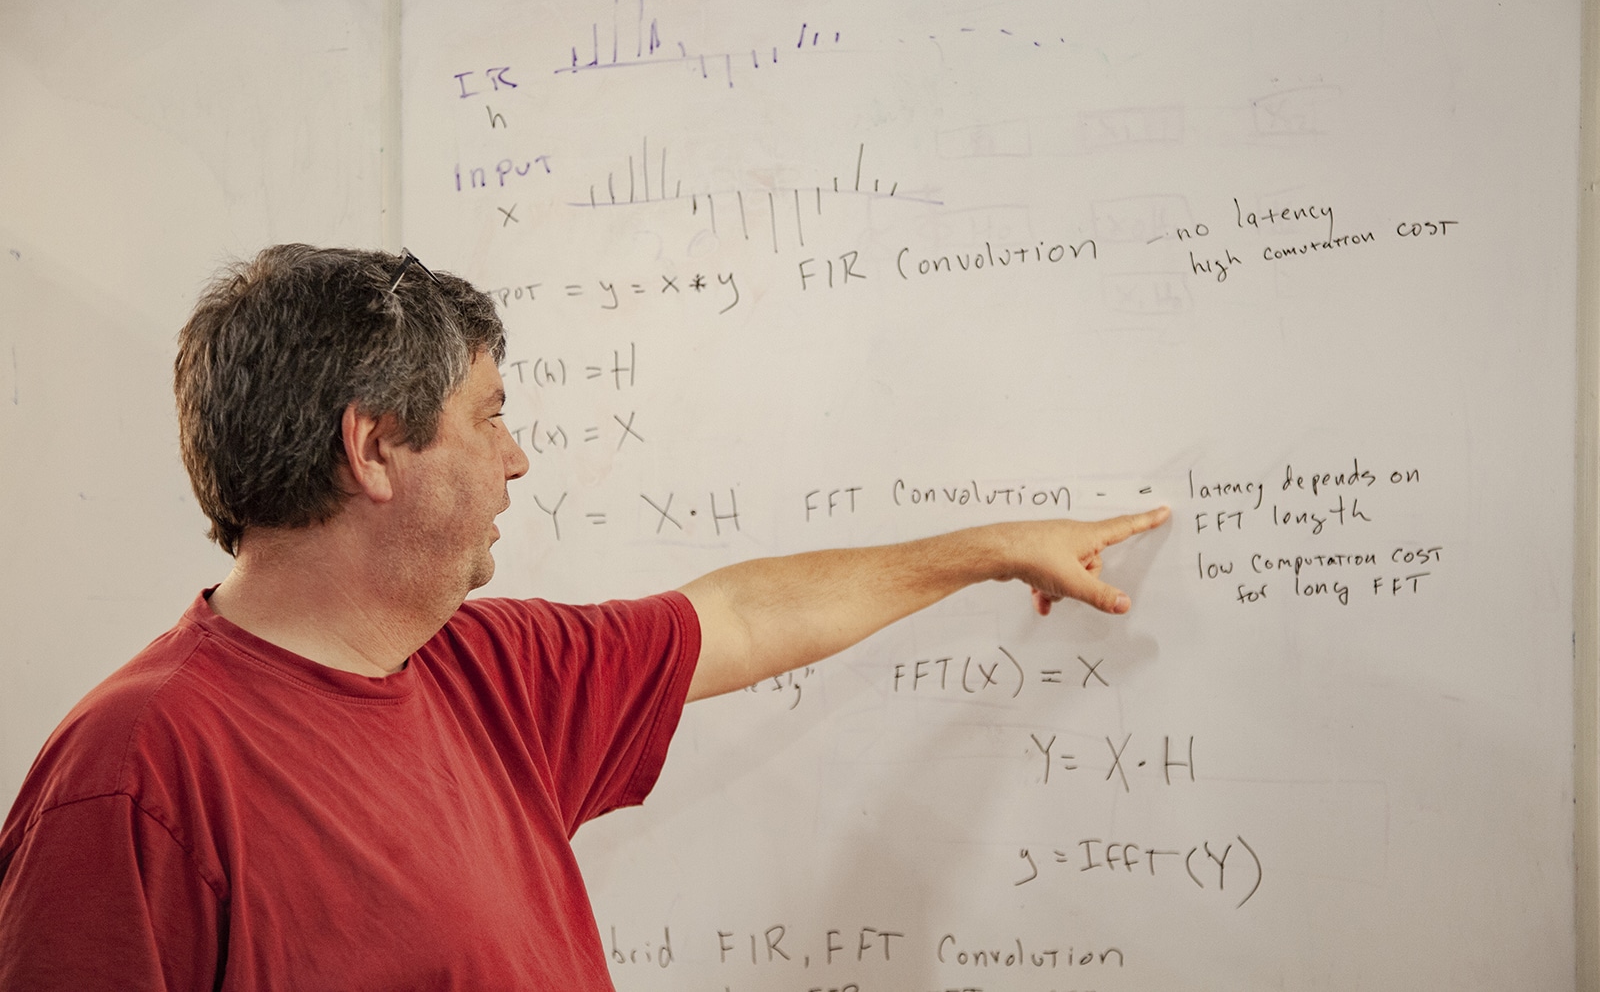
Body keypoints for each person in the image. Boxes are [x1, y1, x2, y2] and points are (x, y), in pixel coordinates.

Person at [0, 244, 1168, 990]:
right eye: (488, 414)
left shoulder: (484, 665)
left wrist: (989, 550)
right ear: (374, 448)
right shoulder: (137, 770)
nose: (517, 457)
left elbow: (743, 615)